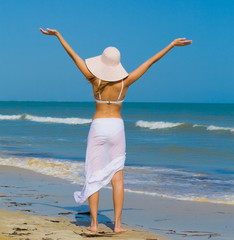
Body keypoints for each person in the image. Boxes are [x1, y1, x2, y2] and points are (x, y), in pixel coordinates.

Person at [40, 27, 192, 233]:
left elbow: (73, 55)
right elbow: (150, 62)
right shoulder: (125, 82)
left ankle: (93, 224)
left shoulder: (94, 80)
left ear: (101, 63)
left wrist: (58, 36)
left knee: (93, 175)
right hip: (117, 128)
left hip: (98, 126)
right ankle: (117, 225)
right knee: (117, 176)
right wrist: (171, 45)